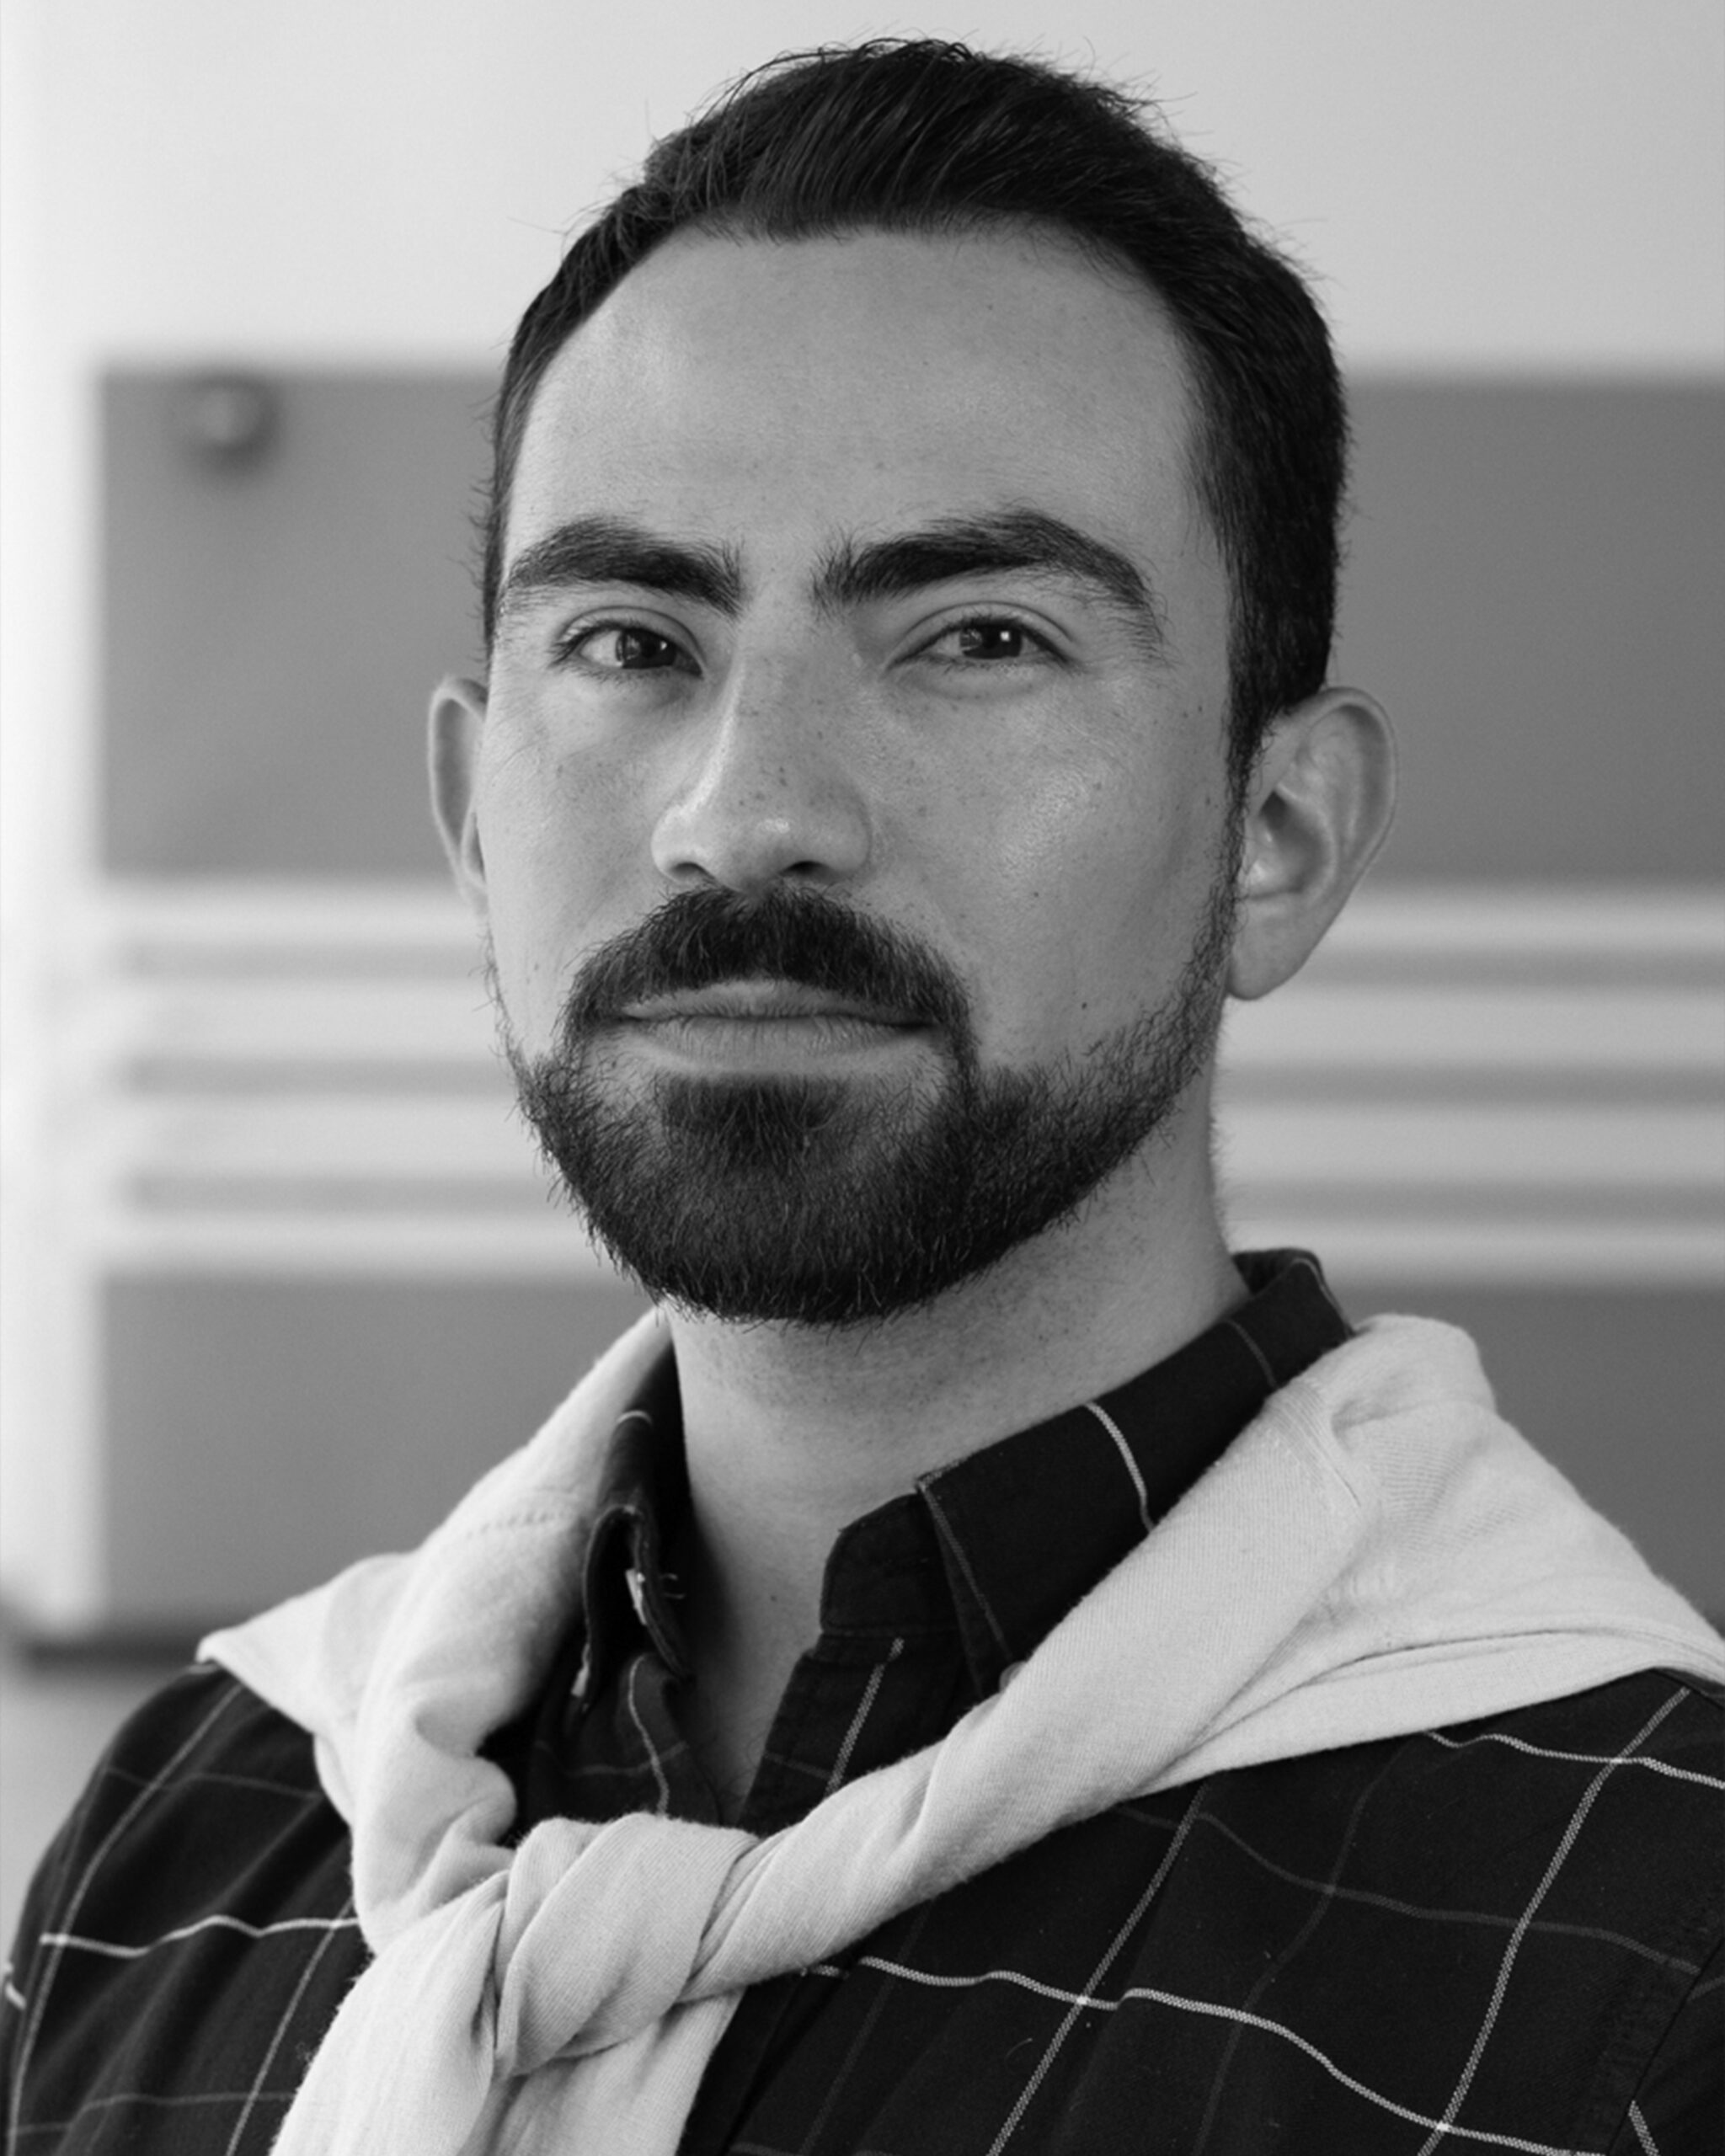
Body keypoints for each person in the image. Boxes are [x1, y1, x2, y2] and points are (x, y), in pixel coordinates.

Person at [3, 39, 1720, 2156]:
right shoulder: (191, 1835)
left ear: (1275, 834)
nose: (744, 815)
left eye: (978, 637)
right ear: (469, 816)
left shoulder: (1639, 1956)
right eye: (631, 641)